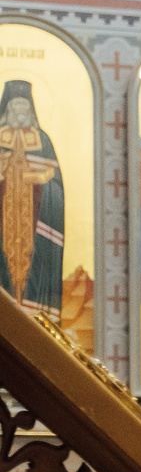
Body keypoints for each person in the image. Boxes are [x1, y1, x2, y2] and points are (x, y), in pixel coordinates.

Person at [0, 80, 64, 312]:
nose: (19, 111)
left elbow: (55, 183)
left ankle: (34, 306)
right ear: (7, 108)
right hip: (4, 213)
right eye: (15, 106)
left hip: (33, 213)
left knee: (30, 258)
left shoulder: (42, 140)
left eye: (23, 106)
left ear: (30, 109)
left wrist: (39, 178)